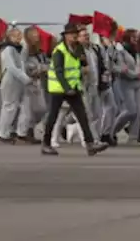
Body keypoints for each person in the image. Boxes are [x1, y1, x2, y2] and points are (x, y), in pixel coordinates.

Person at [41, 24, 106, 156]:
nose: (74, 36)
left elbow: (82, 63)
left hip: (74, 86)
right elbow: (59, 71)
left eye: (75, 33)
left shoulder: (77, 48)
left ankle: (90, 143)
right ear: (65, 35)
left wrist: (84, 66)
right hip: (58, 88)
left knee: (83, 115)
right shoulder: (59, 51)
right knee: (53, 116)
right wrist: (66, 88)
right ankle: (46, 143)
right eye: (71, 34)